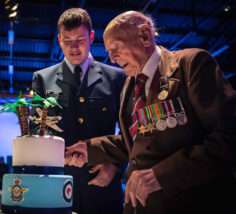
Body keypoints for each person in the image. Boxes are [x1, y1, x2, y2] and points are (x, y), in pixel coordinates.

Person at [65, 10, 236, 214]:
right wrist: (89, 148)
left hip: (190, 203)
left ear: (145, 36)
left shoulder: (191, 65)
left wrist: (160, 175)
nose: (111, 58)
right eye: (109, 51)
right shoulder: (130, 84)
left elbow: (228, 138)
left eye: (116, 47)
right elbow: (135, 142)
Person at [30, 8, 127, 214]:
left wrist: (115, 167)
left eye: (80, 40)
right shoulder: (42, 79)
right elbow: (35, 129)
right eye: (67, 41)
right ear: (58, 39)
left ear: (91, 37)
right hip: (56, 186)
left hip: (102, 185)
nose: (74, 47)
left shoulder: (117, 77)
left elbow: (129, 130)